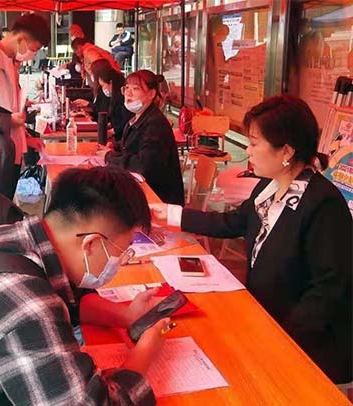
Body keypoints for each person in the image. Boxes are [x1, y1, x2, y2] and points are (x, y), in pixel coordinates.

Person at [0, 166, 169, 405]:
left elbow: (62, 298)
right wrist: (143, 356)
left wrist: (124, 315)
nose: (123, 261)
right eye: (124, 250)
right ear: (92, 244)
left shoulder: (4, 237)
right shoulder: (29, 308)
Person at [153, 95, 352, 385]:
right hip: (264, 323)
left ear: (286, 150)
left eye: (255, 143)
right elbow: (232, 222)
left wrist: (277, 340)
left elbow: (327, 291)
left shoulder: (323, 205)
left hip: (307, 347)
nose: (248, 150)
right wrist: (169, 214)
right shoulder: (268, 188)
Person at [0, 13, 47, 199]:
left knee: (6, 201)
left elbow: (12, 104)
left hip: (11, 149)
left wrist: (26, 138)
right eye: (33, 49)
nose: (33, 54)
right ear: (21, 39)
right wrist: (8, 119)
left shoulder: (12, 60)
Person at [102, 70, 184, 205]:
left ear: (151, 94)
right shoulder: (136, 118)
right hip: (138, 187)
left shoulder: (155, 123)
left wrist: (109, 157)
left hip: (157, 197)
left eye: (135, 89)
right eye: (126, 88)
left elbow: (144, 165)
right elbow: (131, 146)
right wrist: (115, 147)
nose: (128, 93)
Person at [97, 63, 132, 141]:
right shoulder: (114, 97)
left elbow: (126, 121)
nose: (103, 89)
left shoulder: (122, 97)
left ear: (110, 83)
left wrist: (112, 131)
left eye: (103, 85)